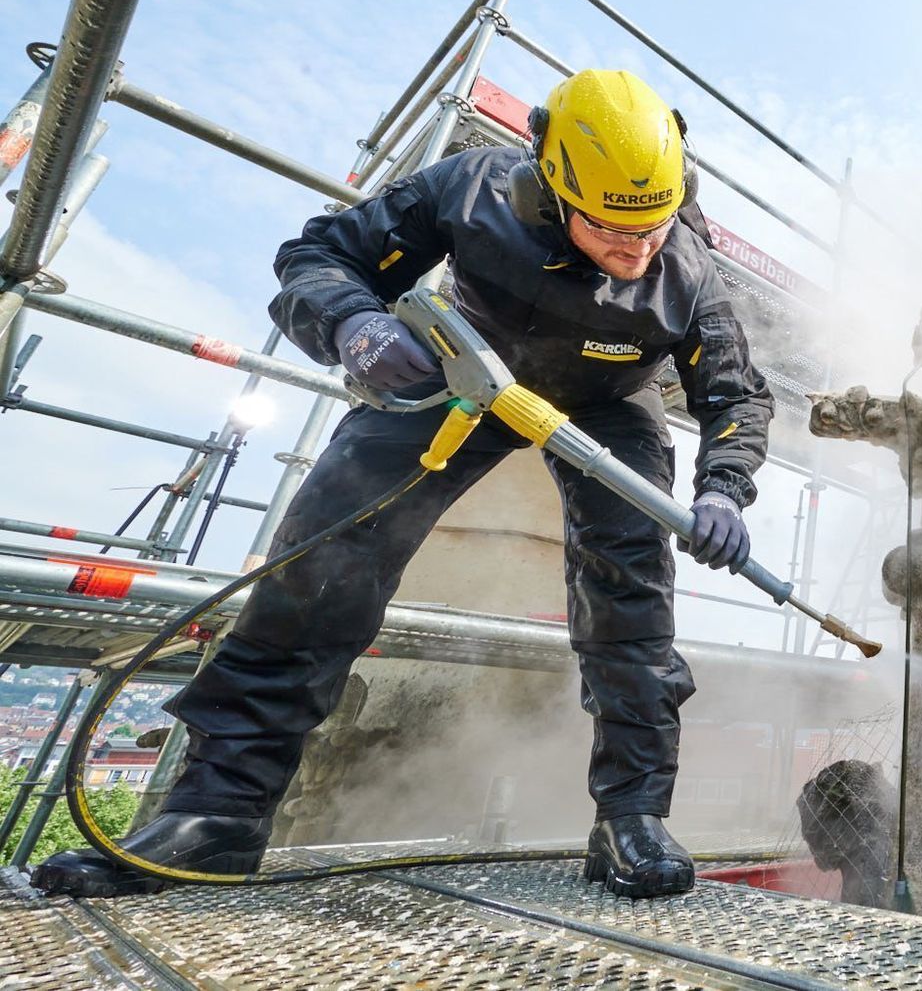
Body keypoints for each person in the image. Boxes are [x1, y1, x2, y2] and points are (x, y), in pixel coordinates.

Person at [32, 69, 774, 900]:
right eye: (608, 226)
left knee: (631, 597)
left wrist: (724, 488)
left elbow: (735, 396)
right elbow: (320, 253)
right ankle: (218, 812)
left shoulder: (691, 269)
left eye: (653, 226)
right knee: (324, 559)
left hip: (609, 403)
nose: (636, 249)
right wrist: (353, 321)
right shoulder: (471, 187)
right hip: (465, 369)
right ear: (550, 183)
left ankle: (630, 817)